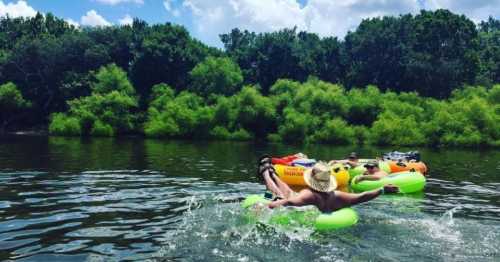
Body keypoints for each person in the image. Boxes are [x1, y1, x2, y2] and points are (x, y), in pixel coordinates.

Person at [258, 157, 398, 213]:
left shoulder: (309, 195)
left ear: (312, 181)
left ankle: (266, 173)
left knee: (279, 194)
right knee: (289, 191)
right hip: (324, 208)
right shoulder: (337, 195)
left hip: (298, 209)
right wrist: (382, 190)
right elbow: (362, 197)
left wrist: (265, 206)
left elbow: (288, 201)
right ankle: (273, 173)